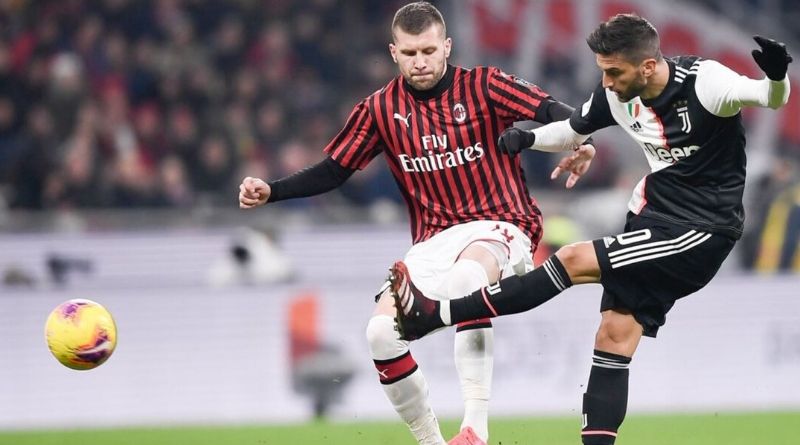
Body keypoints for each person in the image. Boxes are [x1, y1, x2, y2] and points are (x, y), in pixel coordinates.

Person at [391, 13, 791, 445]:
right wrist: (528, 139)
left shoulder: (705, 82)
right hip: (654, 216)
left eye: (614, 72)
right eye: (603, 71)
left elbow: (768, 98)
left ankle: (436, 314)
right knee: (614, 334)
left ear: (648, 67)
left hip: (701, 229)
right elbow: (571, 129)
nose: (606, 82)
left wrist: (776, 76)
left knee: (572, 258)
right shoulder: (616, 94)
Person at [238, 2, 593, 444]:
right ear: (394, 53)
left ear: (447, 46)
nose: (420, 61)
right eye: (409, 53)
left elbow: (557, 111)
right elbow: (334, 170)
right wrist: (272, 191)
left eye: (428, 50)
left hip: (502, 222)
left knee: (467, 281)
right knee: (380, 334)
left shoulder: (485, 85)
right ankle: (430, 441)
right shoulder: (379, 109)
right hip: (432, 240)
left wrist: (580, 140)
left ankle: (475, 430)